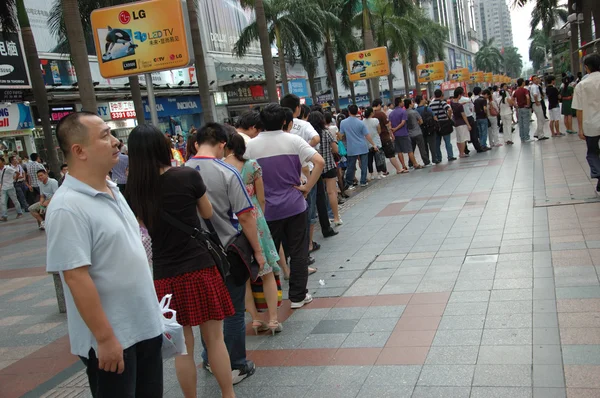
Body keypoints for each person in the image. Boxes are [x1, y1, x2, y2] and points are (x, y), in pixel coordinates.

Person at [46, 112, 164, 398]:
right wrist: (105, 338)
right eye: (105, 136)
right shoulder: (67, 207)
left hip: (144, 326)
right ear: (79, 151)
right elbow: (75, 277)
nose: (115, 142)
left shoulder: (111, 187)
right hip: (113, 339)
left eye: (112, 134)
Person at [125, 123, 236, 398]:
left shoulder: (134, 191)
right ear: (164, 148)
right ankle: (228, 395)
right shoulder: (187, 176)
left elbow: (142, 229)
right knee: (215, 340)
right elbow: (208, 214)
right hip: (200, 267)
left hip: (165, 274)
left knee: (182, 348)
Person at [185, 124, 267, 386]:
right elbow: (245, 216)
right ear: (222, 144)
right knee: (232, 311)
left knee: (207, 313)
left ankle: (210, 358)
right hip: (226, 251)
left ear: (197, 143)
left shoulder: (179, 172)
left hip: (194, 256)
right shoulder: (227, 171)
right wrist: (257, 251)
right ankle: (236, 365)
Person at [245, 103, 325, 309]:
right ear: (284, 121)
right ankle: (298, 296)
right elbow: (319, 162)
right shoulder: (293, 140)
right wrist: (307, 188)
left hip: (266, 210)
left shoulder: (250, 146)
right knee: (298, 251)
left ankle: (270, 300)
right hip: (294, 205)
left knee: (270, 252)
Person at [223, 132, 283, 335]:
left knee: (244, 276)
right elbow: (262, 198)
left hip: (232, 223)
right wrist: (260, 218)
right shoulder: (252, 166)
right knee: (267, 272)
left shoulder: (220, 167)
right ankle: (273, 319)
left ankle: (256, 319)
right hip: (255, 218)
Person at [573, 53, 600, 193]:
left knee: (592, 153)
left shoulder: (581, 86)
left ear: (586, 68)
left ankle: (598, 173)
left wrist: (580, 129)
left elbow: (579, 109)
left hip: (590, 125)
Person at [309, 112, 342, 226]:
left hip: (315, 169)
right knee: (331, 192)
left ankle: (324, 218)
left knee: (319, 194)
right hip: (328, 166)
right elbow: (336, 149)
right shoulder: (326, 132)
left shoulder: (311, 136)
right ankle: (336, 217)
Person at [340, 104, 378, 185]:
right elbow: (367, 135)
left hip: (351, 147)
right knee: (364, 165)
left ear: (349, 112)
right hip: (362, 146)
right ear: (357, 111)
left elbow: (341, 135)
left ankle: (349, 182)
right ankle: (363, 181)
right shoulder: (361, 122)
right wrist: (373, 144)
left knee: (351, 166)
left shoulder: (343, 123)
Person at [389, 97, 419, 172]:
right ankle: (415, 164)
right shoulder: (403, 111)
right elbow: (403, 123)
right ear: (399, 103)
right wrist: (396, 128)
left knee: (399, 151)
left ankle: (403, 166)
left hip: (396, 135)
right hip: (403, 133)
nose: (403, 103)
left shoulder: (391, 113)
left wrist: (392, 132)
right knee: (409, 150)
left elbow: (389, 124)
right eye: (402, 102)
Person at [372, 99, 402, 173]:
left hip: (375, 139)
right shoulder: (381, 114)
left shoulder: (371, 115)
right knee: (391, 154)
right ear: (379, 105)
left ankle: (384, 171)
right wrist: (391, 134)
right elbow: (387, 125)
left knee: (380, 155)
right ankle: (398, 169)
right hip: (384, 137)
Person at [429, 90, 456, 163]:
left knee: (437, 143)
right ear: (441, 95)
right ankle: (450, 156)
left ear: (434, 95)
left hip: (436, 125)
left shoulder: (431, 104)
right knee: (447, 141)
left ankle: (439, 158)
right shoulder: (443, 103)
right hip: (444, 124)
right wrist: (449, 117)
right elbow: (449, 109)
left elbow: (430, 114)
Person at [363, 106, 386, 179]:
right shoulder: (375, 120)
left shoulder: (362, 121)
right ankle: (379, 173)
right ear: (371, 113)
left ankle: (371, 174)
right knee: (378, 158)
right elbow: (379, 130)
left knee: (369, 159)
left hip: (367, 142)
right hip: (376, 141)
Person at [405, 98, 428, 167]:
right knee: (422, 148)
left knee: (411, 150)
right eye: (412, 103)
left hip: (409, 134)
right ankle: (426, 161)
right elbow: (421, 121)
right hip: (417, 132)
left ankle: (410, 163)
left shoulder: (404, 113)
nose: (413, 104)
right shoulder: (414, 112)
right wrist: (417, 123)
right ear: (409, 104)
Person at [415, 96, 438, 164]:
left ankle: (426, 161)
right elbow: (434, 117)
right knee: (432, 145)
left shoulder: (415, 110)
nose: (425, 100)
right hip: (430, 129)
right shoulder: (427, 108)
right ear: (421, 100)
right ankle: (434, 159)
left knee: (424, 146)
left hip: (421, 130)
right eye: (424, 99)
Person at [450, 88, 472, 158]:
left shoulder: (452, 102)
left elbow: (456, 105)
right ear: (459, 95)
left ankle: (460, 152)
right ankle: (462, 153)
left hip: (456, 123)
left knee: (459, 139)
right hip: (462, 123)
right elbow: (463, 115)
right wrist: (468, 124)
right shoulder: (460, 106)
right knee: (463, 139)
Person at [0, 157, 23, 221]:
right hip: (3, 188)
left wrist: (15, 179)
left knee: (15, 200)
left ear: (3, 162)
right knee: (2, 202)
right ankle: (4, 216)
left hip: (10, 187)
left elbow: (17, 173)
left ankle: (19, 212)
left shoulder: (8, 168)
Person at [530, 75, 548, 140]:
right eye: (535, 79)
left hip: (536, 103)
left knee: (541, 119)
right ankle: (540, 135)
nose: (536, 80)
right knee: (541, 119)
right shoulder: (534, 87)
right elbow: (535, 95)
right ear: (532, 81)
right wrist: (537, 101)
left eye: (537, 78)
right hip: (536, 104)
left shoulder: (536, 86)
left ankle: (537, 133)